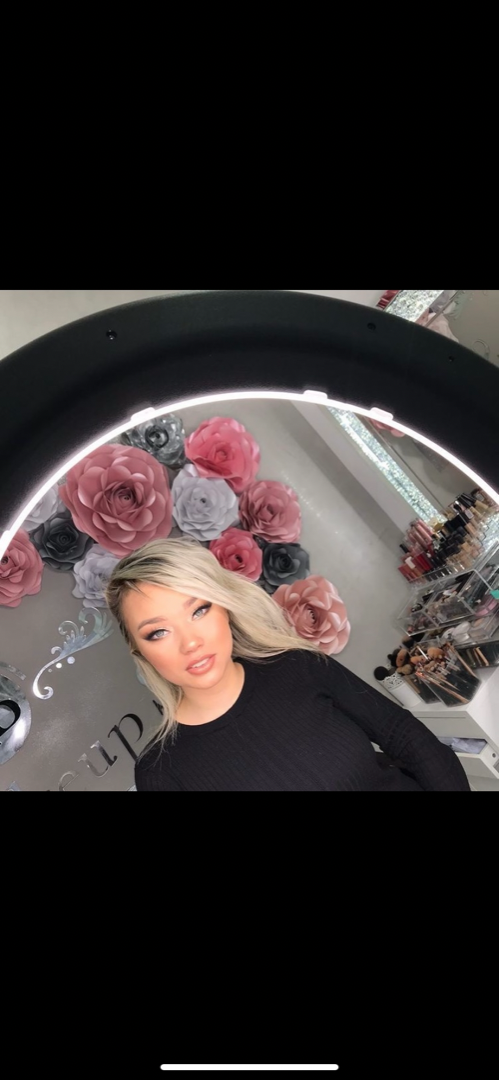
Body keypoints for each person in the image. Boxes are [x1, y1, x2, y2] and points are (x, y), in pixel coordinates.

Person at [105, 537, 471, 792]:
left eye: (199, 610)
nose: (190, 642)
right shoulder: (161, 772)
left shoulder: (297, 666)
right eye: (158, 633)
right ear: (140, 652)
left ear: (224, 607)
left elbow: (407, 738)